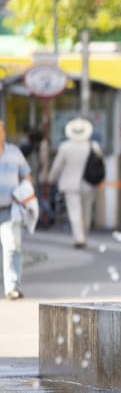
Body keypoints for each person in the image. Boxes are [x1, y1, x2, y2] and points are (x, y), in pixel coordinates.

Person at [47, 118, 103, 249]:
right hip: (88, 183)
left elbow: (57, 166)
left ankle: (79, 238)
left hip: (70, 183)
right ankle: (84, 235)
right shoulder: (93, 146)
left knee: (74, 211)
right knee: (87, 211)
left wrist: (51, 178)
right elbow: (101, 164)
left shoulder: (65, 147)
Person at [0, 120, 33, 300]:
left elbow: (26, 174)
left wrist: (24, 191)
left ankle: (12, 286)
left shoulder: (14, 153)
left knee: (12, 246)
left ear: (4, 133)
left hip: (9, 209)